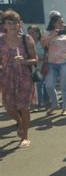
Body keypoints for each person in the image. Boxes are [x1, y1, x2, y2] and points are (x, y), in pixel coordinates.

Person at [0, 10, 38, 147]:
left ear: (18, 24)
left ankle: (25, 136)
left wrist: (23, 61)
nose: (11, 25)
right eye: (8, 23)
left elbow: (35, 59)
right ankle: (20, 123)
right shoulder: (0, 41)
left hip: (24, 77)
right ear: (4, 25)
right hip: (6, 77)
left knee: (24, 107)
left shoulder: (26, 39)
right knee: (9, 107)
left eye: (14, 22)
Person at [41, 15, 66, 115]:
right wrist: (54, 35)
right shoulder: (47, 33)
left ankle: (65, 107)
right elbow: (43, 44)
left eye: (63, 22)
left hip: (65, 62)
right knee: (49, 86)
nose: (63, 24)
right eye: (60, 22)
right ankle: (55, 103)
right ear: (53, 23)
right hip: (51, 63)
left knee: (64, 86)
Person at [28, 25, 49, 110]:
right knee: (39, 85)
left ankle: (41, 102)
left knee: (41, 85)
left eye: (33, 32)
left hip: (43, 66)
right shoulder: (28, 43)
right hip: (33, 67)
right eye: (29, 33)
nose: (31, 34)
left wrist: (42, 58)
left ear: (38, 33)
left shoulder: (42, 42)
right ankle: (42, 101)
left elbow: (48, 53)